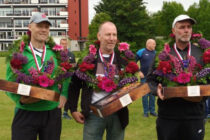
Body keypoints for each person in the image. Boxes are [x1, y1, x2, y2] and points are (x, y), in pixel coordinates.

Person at [6, 12, 69, 140]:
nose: (44, 29)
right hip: (26, 112)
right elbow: (10, 82)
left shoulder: (55, 52)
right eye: (40, 25)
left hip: (51, 112)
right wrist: (20, 100)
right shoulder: (19, 52)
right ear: (30, 27)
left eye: (46, 27)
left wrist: (64, 95)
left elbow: (66, 74)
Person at [147, 14, 205, 140]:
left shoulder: (201, 53)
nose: (186, 30)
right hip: (169, 116)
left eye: (189, 27)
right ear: (173, 30)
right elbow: (150, 80)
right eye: (182, 27)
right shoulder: (164, 54)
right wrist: (156, 90)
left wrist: (203, 94)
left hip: (194, 116)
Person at [68, 21, 129, 140]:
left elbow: (129, 86)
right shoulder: (88, 60)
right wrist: (73, 109)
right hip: (93, 115)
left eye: (114, 35)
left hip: (117, 114)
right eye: (108, 35)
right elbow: (74, 85)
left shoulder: (123, 60)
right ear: (99, 36)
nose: (112, 39)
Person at [136, 39, 157, 117]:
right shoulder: (141, 52)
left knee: (152, 95)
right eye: (154, 44)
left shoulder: (155, 53)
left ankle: (152, 111)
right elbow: (133, 63)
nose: (155, 45)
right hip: (144, 77)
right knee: (144, 95)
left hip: (152, 78)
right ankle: (145, 112)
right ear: (148, 44)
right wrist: (139, 72)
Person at [60, 38, 76, 120]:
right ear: (60, 44)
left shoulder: (71, 54)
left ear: (67, 44)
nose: (64, 45)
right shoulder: (57, 54)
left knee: (68, 95)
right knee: (57, 94)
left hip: (68, 78)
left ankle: (65, 112)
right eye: (62, 44)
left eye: (65, 44)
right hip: (59, 78)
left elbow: (74, 65)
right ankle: (57, 111)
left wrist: (71, 66)